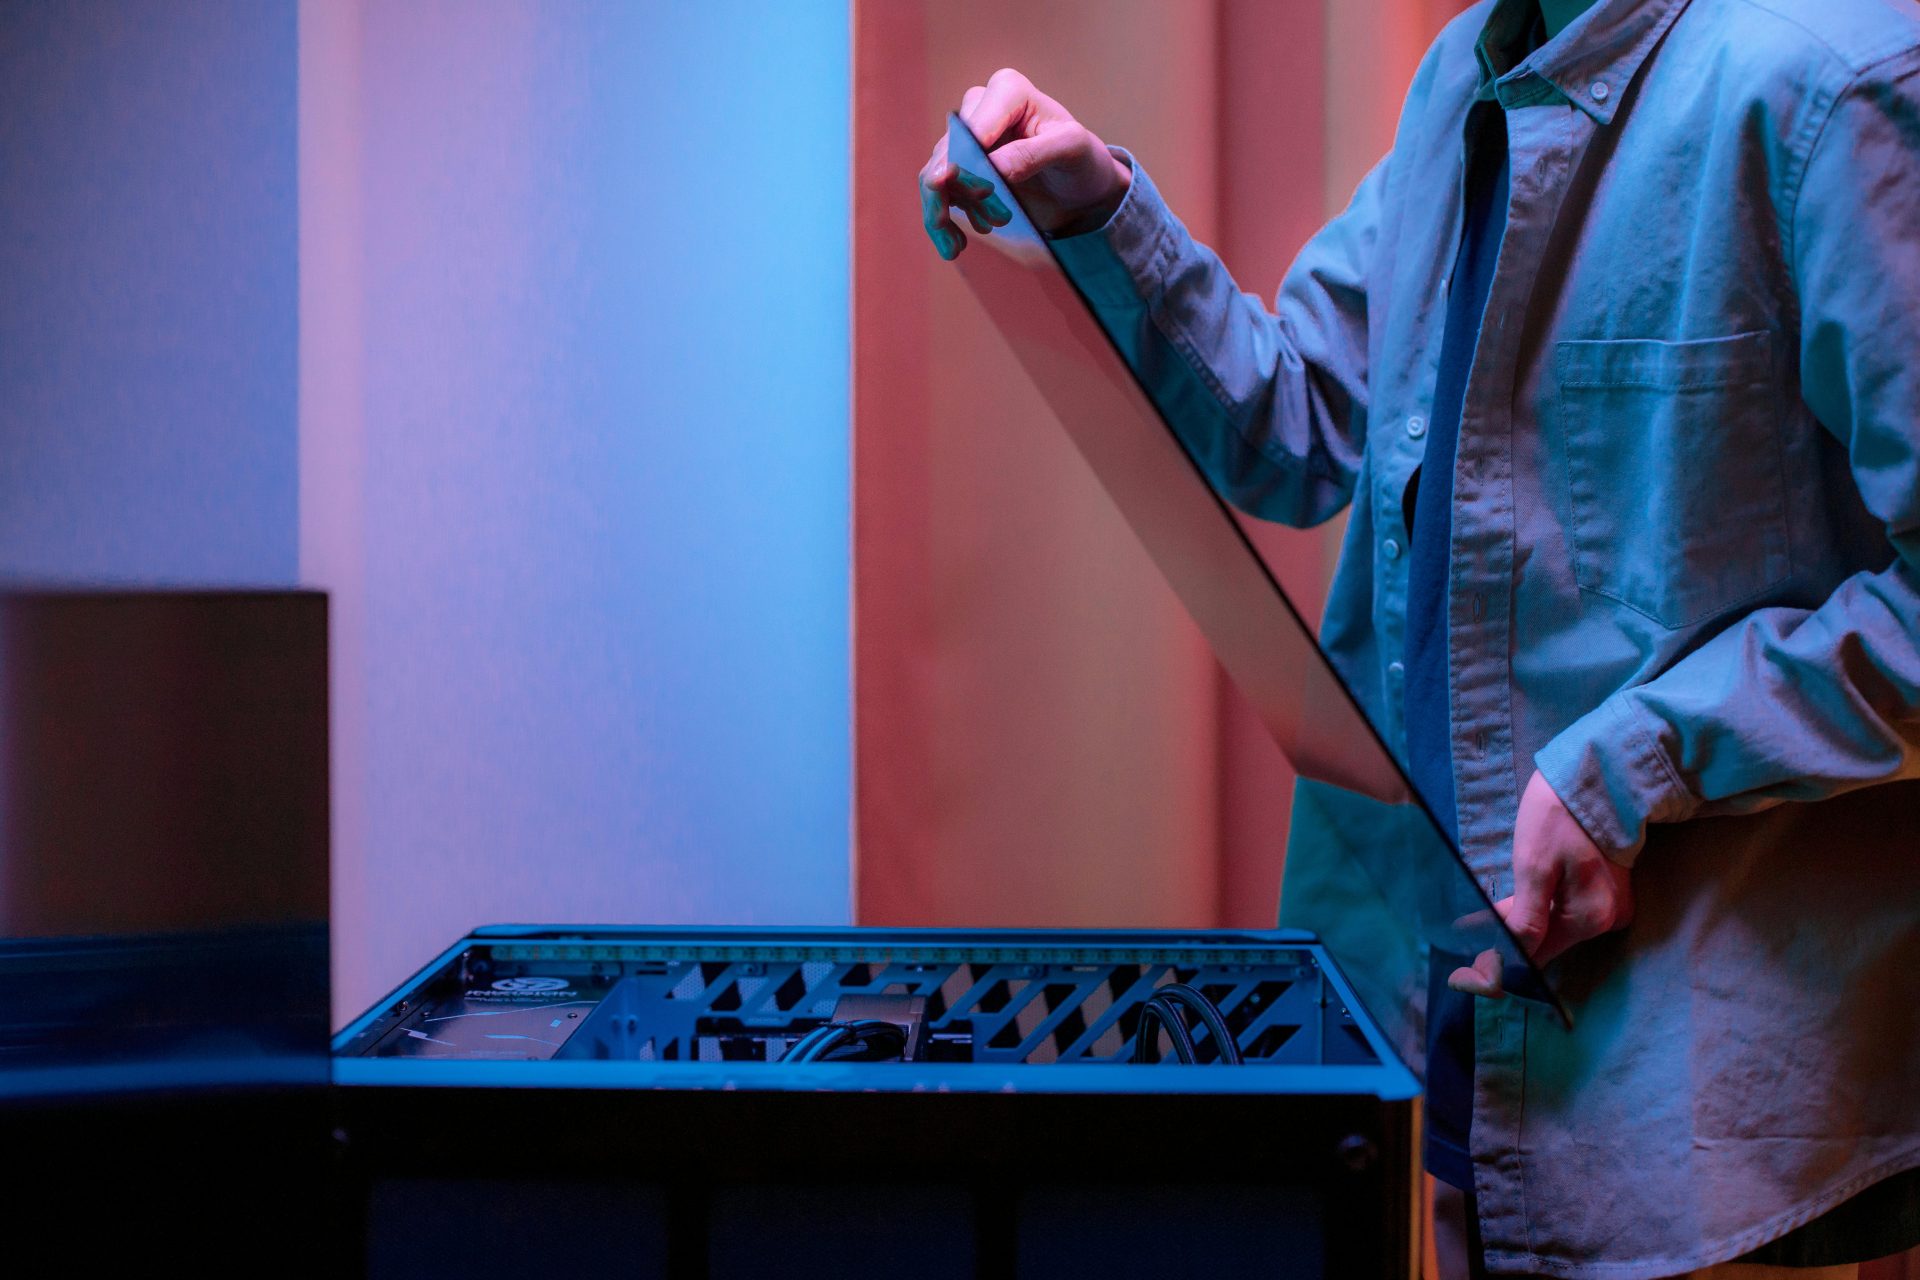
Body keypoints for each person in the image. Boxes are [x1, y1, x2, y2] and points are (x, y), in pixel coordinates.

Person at [918, 0, 1920, 1276]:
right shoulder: (1468, 70)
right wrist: (1097, 212)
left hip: (1708, 1114)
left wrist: (1638, 760)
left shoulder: (1832, 80)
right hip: (1472, 1044)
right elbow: (1297, 423)